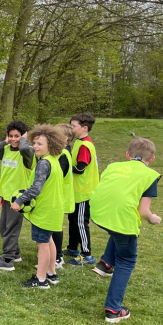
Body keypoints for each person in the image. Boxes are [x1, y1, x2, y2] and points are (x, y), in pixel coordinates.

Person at [89, 138, 161, 323]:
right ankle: (113, 310)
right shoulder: (149, 175)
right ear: (152, 159)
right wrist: (153, 219)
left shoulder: (113, 166)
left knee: (118, 229)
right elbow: (143, 211)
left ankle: (105, 263)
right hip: (120, 219)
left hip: (98, 213)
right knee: (127, 260)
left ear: (127, 155)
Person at [11, 125, 68, 289]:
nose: (35, 146)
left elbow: (36, 188)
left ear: (50, 145)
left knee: (42, 245)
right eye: (34, 142)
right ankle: (51, 273)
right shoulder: (54, 161)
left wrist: (20, 200)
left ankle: (41, 279)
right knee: (49, 240)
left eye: (40, 144)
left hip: (44, 211)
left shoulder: (44, 164)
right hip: (54, 209)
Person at [0, 120, 34, 271]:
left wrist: (24, 139)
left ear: (23, 137)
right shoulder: (7, 149)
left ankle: (7, 260)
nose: (13, 139)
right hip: (6, 196)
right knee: (4, 226)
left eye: (17, 136)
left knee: (12, 227)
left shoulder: (27, 153)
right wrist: (6, 141)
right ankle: (15, 253)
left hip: (18, 199)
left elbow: (25, 148)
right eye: (11, 135)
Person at [66, 113, 100, 265]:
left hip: (84, 193)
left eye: (74, 126)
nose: (71, 129)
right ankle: (73, 248)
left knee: (80, 222)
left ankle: (87, 256)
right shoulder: (79, 142)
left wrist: (63, 168)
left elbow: (80, 169)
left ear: (84, 128)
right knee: (72, 220)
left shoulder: (85, 145)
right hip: (76, 191)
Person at [50, 123, 76, 268]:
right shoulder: (59, 152)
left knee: (56, 227)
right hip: (56, 196)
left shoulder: (64, 154)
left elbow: (57, 176)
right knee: (52, 226)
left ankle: (58, 257)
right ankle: (52, 253)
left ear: (65, 138)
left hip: (60, 197)